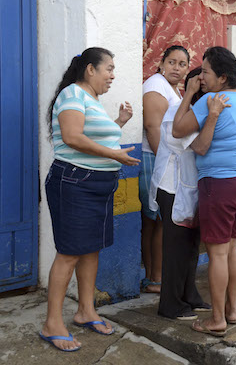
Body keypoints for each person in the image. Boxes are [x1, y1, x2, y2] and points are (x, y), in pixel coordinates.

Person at [41, 48, 139, 352]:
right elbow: (71, 137)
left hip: (96, 184)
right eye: (108, 68)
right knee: (69, 252)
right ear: (89, 70)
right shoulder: (72, 94)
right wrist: (115, 155)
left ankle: (85, 311)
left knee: (90, 249)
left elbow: (93, 138)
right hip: (74, 183)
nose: (113, 75)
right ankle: (52, 324)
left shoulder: (91, 100)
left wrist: (118, 123)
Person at [172, 46, 236, 337]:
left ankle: (217, 319)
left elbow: (177, 129)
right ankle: (232, 311)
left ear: (221, 77)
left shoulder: (210, 100)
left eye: (205, 71)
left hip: (219, 183)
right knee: (233, 247)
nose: (201, 76)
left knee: (217, 253)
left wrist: (188, 93)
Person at [151, 68, 215, 321]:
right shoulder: (177, 111)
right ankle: (170, 304)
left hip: (189, 189)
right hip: (173, 188)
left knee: (190, 247)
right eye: (203, 83)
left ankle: (189, 295)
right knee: (176, 249)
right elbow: (199, 146)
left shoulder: (198, 111)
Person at [139, 45, 190, 294]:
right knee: (158, 220)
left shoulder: (171, 89)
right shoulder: (156, 85)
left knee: (154, 221)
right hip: (154, 159)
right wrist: (166, 163)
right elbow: (152, 126)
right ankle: (156, 278)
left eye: (182, 64)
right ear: (161, 64)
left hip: (161, 159)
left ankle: (153, 276)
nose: (176, 68)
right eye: (172, 62)